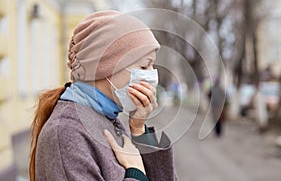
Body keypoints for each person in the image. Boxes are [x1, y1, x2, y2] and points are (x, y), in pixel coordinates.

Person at [29, 10, 177, 181]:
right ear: (105, 67)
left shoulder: (106, 118)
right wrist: (136, 171)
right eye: (144, 67)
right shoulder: (66, 132)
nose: (152, 77)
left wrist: (138, 129)